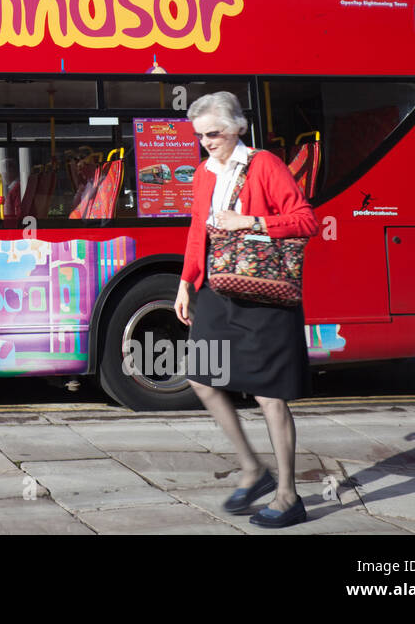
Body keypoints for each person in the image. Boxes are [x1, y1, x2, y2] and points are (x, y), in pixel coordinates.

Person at [173, 91, 317, 528]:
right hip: (219, 290)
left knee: (268, 395)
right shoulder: (203, 172)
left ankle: (288, 495)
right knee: (201, 377)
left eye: (213, 133)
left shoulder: (264, 165)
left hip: (263, 293)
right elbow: (198, 229)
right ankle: (253, 469)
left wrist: (251, 222)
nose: (206, 142)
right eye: (200, 136)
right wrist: (185, 282)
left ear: (237, 127)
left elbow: (305, 220)